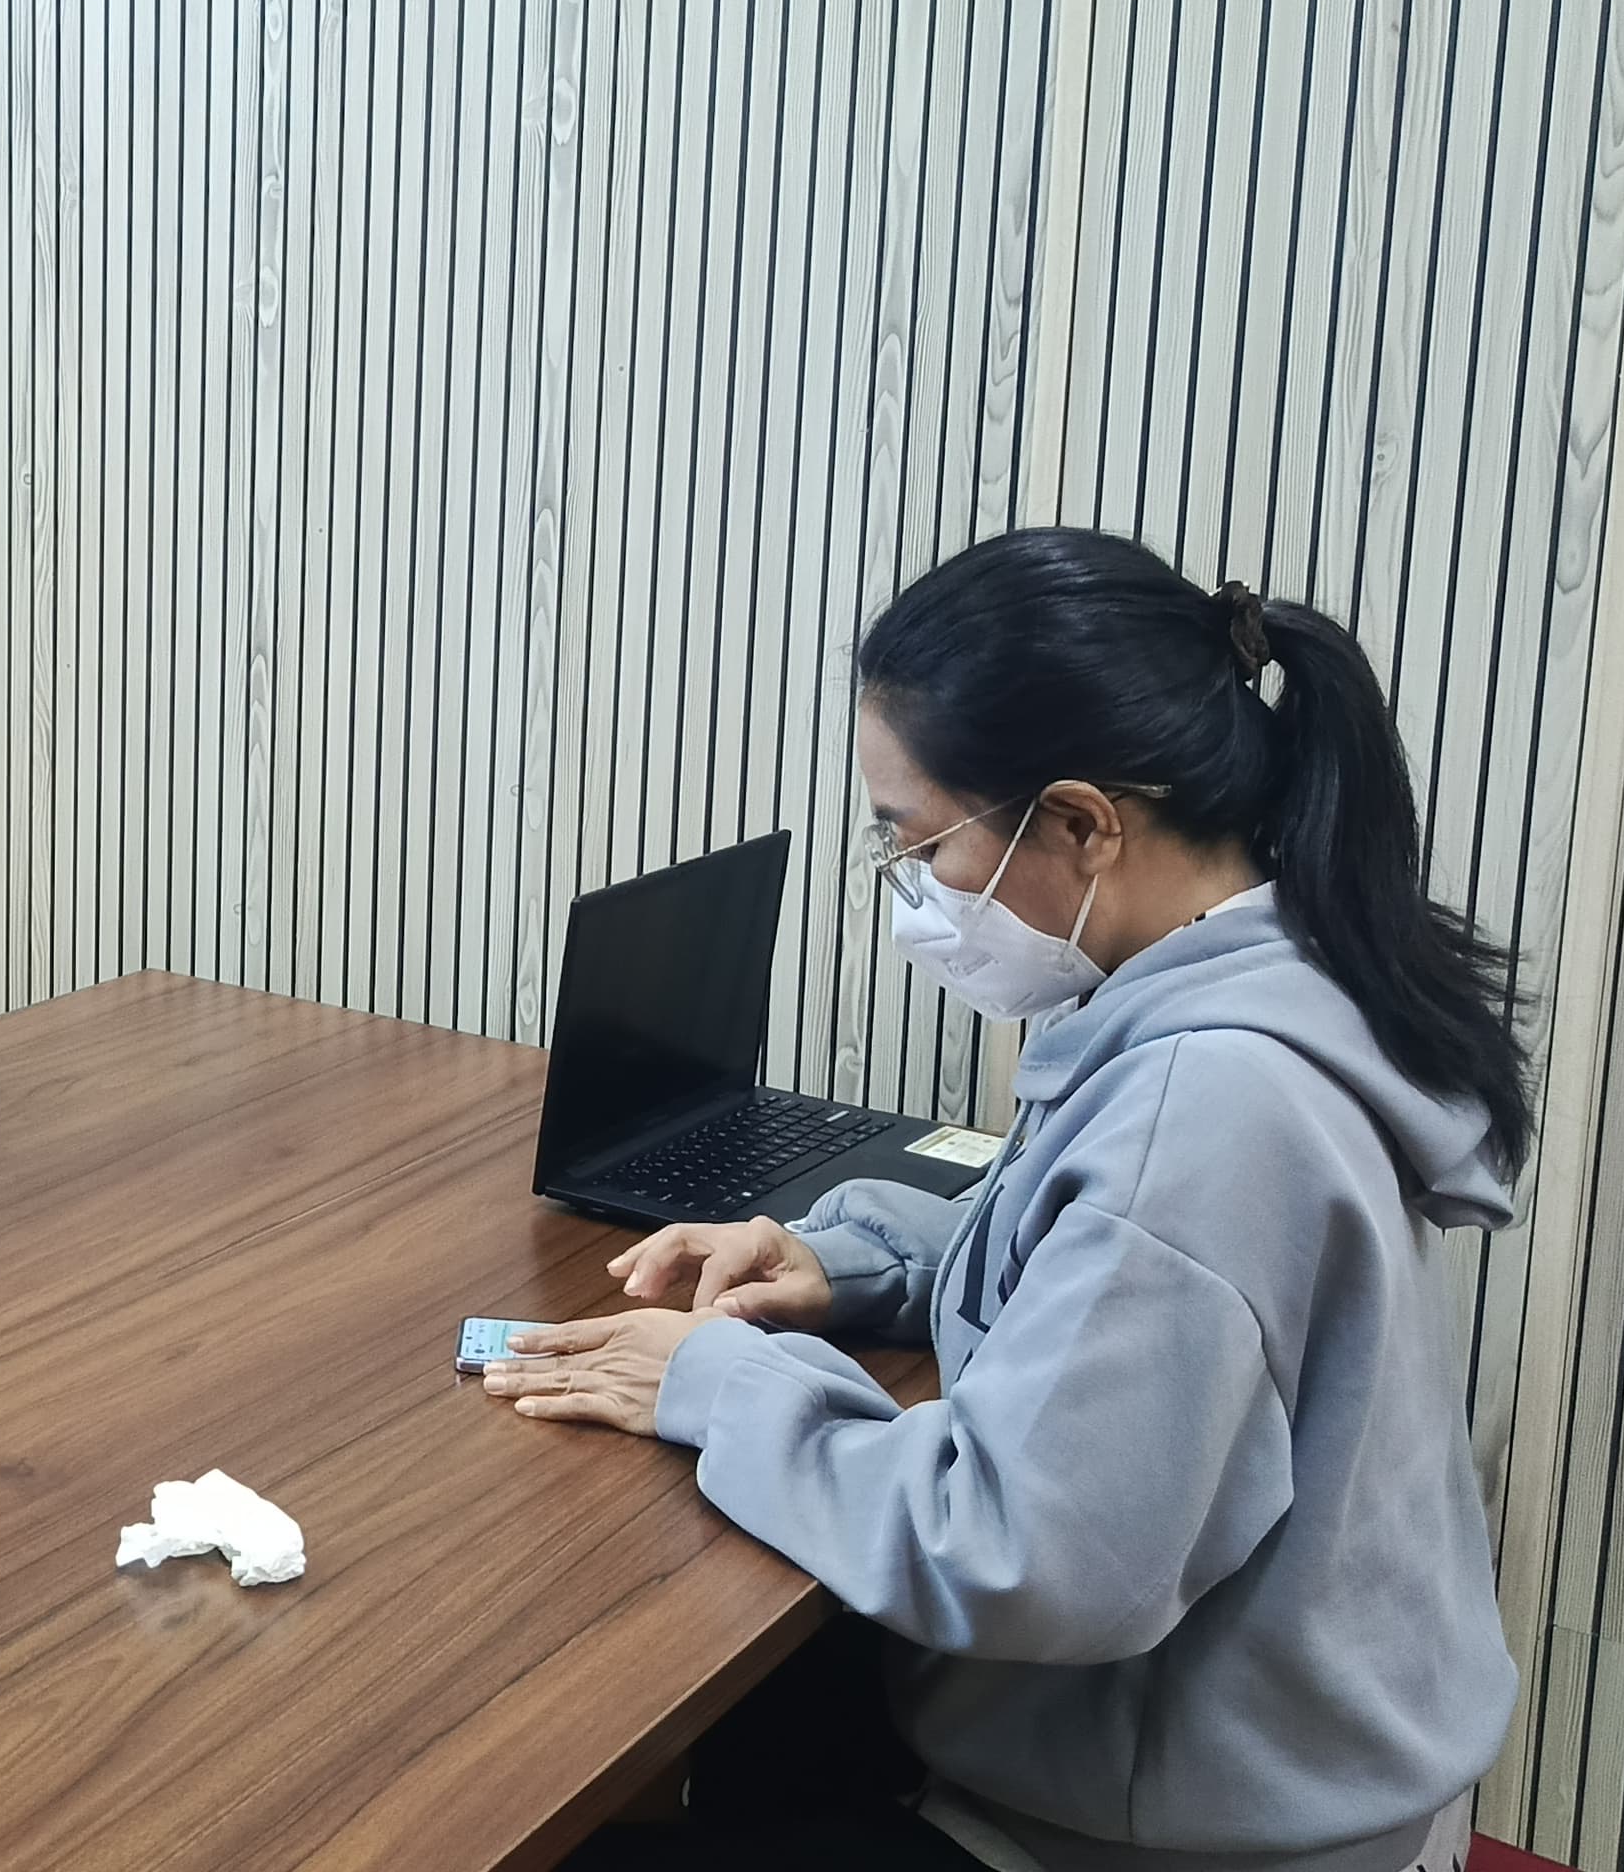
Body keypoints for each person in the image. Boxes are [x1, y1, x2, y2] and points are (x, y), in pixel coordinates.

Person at [483, 528, 1520, 1872]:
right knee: (758, 1708)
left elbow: (1015, 1557)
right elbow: (1102, 1260)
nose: (913, 888)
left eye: (918, 840)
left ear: (1082, 824)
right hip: (1243, 1750)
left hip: (1182, 1833)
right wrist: (853, 1258)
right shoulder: (1263, 972)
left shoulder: (1207, 1108)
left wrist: (716, 1382)